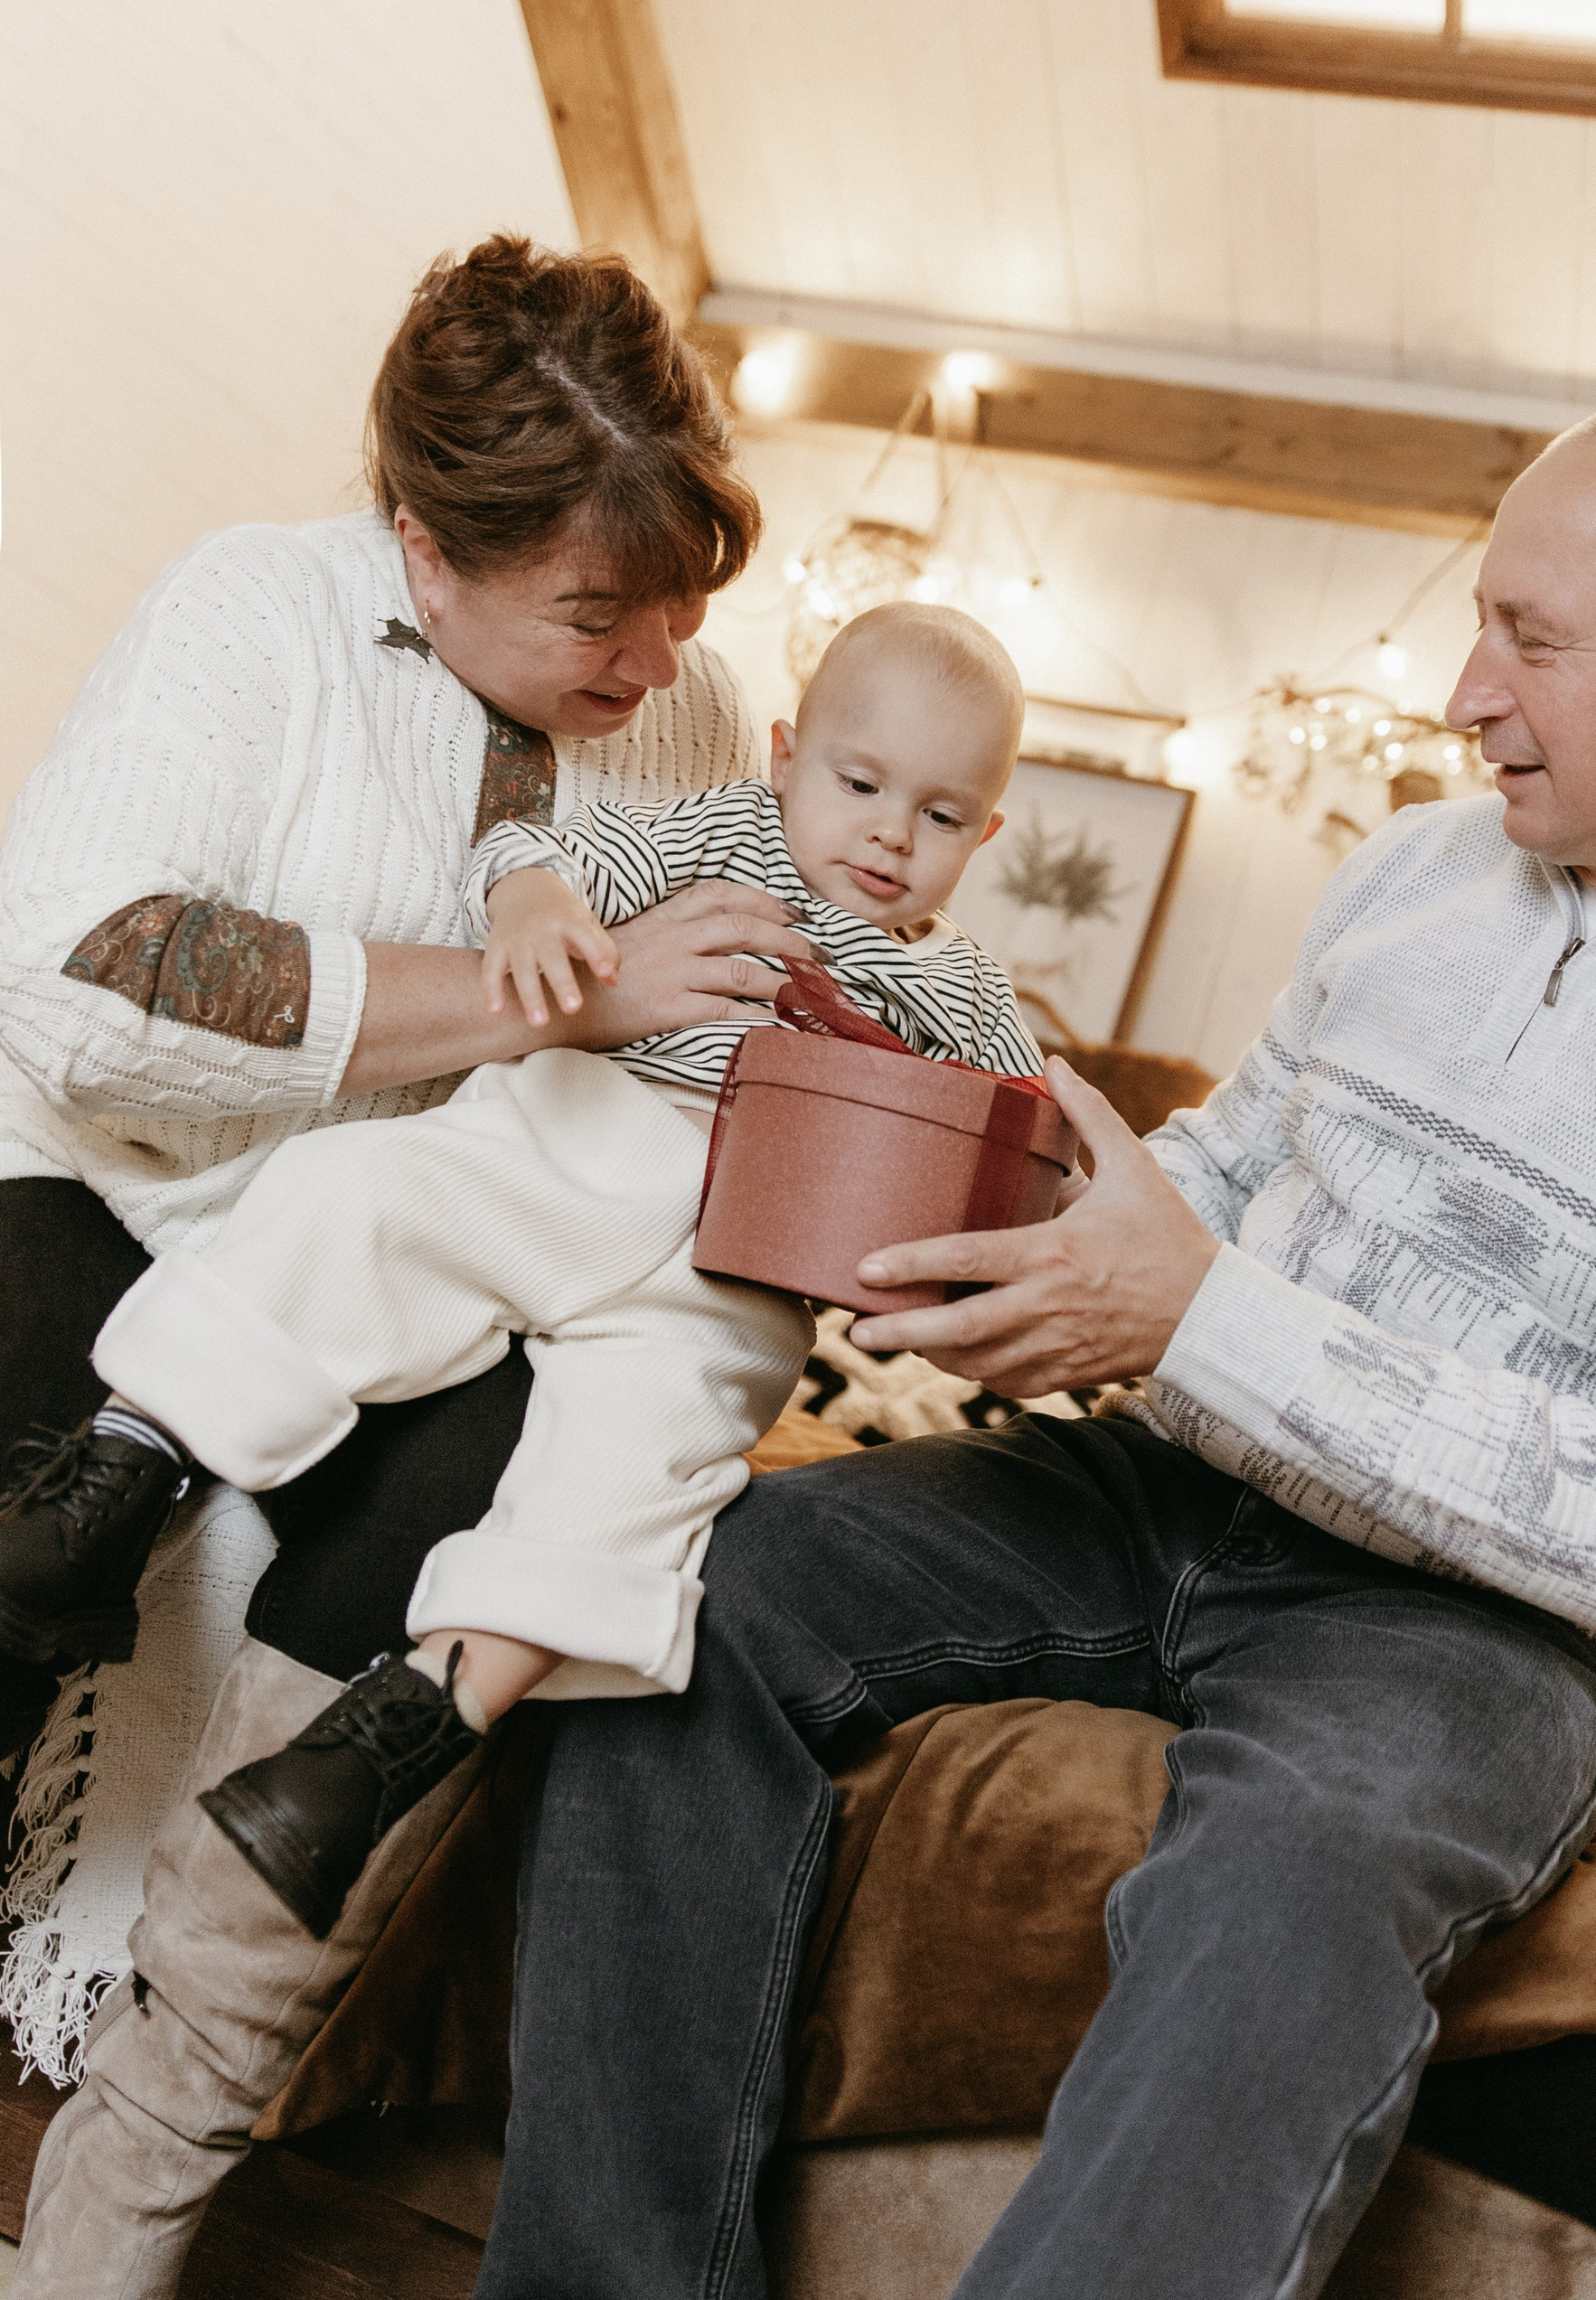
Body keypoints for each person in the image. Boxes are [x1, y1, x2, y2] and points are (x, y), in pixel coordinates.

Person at [429, 387, 1596, 2300]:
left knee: (1292, 1884)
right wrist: (1026, 1252)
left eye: (1534, 639)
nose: (1464, 692)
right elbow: (1225, 1177)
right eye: (1479, 623)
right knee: (691, 1592)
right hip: (1166, 1478)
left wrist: (1203, 1316)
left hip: (1484, 1631)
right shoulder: (1409, 873)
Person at [0, 231, 816, 2300]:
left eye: (685, 601)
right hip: (112, 1183)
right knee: (35, 1429)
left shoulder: (693, 716)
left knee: (469, 1497)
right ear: (421, 550)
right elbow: (74, 972)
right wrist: (544, 1004)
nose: (657, 659)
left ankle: (122, 2197)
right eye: (597, 611)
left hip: (432, 1258)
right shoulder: (250, 613)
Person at [3, 604, 1041, 1939]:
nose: (892, 834)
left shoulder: (965, 999)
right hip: (571, 1143)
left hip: (735, 1274)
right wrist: (542, 901)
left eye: (941, 816)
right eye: (860, 784)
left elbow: (1020, 1145)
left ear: (985, 837)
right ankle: (117, 1475)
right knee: (353, 1197)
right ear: (787, 759)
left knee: (641, 1481)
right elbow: (532, 849)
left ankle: (388, 1742)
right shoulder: (725, 836)